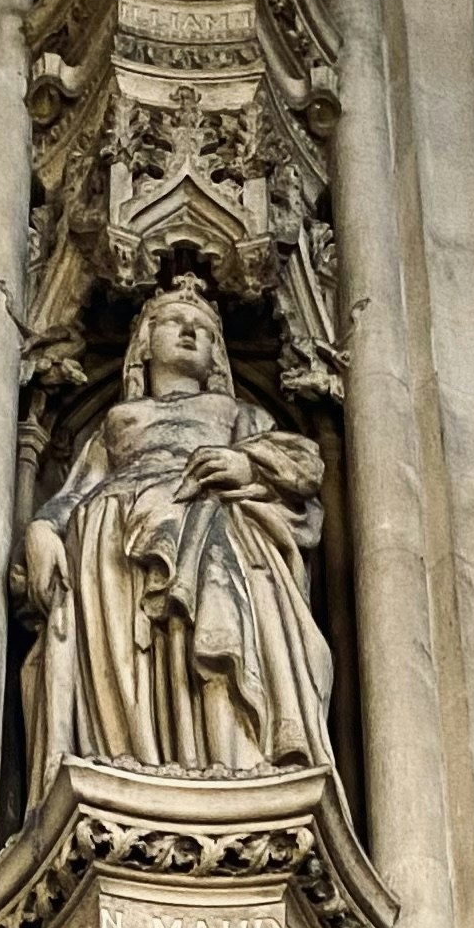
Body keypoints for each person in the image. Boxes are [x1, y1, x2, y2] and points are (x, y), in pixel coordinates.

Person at [21, 280, 336, 786]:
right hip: (113, 544)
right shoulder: (119, 422)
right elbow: (77, 491)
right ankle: (133, 756)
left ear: (217, 355)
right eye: (173, 321)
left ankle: (230, 757)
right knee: (124, 637)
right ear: (144, 343)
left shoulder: (237, 414)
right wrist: (42, 528)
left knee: (217, 613)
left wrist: (246, 464)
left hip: (205, 523)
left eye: (205, 330)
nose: (190, 331)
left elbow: (302, 465)